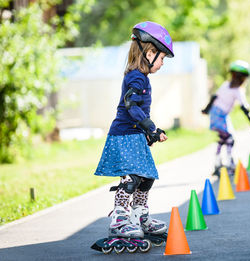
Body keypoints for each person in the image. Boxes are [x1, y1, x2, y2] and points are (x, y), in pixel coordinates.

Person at [94, 21, 174, 241]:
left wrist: (149, 133)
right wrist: (151, 127)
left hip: (134, 134)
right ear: (149, 52)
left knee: (146, 177)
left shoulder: (141, 77)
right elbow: (132, 106)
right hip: (124, 135)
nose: (162, 63)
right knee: (132, 178)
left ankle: (138, 216)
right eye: (162, 58)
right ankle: (119, 220)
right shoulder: (136, 77)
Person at [202, 60, 250, 177]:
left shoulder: (226, 85)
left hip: (217, 114)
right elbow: (244, 107)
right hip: (219, 115)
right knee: (230, 139)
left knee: (223, 139)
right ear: (243, 79)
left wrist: (206, 110)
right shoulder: (237, 90)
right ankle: (230, 165)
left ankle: (218, 164)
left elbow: (214, 97)